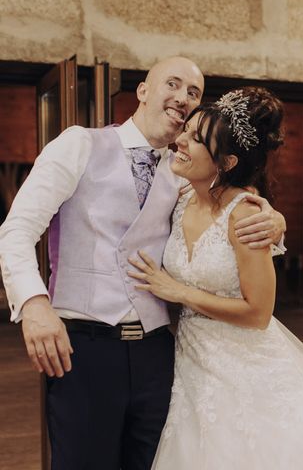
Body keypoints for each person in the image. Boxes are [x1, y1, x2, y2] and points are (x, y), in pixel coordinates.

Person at [0, 57, 285, 470]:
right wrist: (33, 305)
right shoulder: (79, 144)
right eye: (173, 83)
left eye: (194, 93)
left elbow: (232, 206)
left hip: (158, 353)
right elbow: (17, 228)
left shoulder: (186, 169)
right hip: (85, 349)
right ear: (143, 91)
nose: (183, 98)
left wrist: (275, 221)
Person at [128, 87, 303, 469]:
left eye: (196, 139)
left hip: (245, 364)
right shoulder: (180, 195)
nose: (180, 140)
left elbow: (258, 312)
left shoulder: (247, 215)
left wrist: (177, 290)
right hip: (192, 361)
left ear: (227, 161)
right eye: (187, 130)